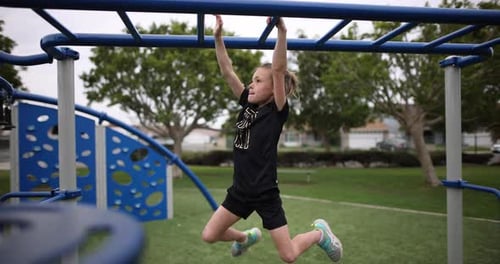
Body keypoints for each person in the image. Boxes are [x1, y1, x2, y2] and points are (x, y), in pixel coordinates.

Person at [201, 15, 343, 263]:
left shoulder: (276, 111)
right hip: (240, 191)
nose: (250, 85)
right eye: (251, 80)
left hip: (265, 193)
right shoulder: (246, 105)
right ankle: (246, 238)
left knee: (288, 255)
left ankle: (320, 234)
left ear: (274, 88)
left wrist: (282, 31)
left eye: (258, 81)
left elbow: (278, 69)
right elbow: (227, 71)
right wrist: (218, 38)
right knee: (210, 235)